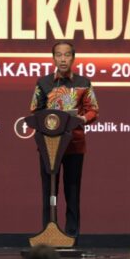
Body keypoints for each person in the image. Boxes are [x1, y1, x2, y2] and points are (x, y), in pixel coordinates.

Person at [30, 41, 99, 240]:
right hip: (49, 146)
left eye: (67, 55)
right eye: (58, 55)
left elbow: (93, 109)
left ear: (73, 58)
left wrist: (82, 119)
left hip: (74, 145)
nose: (63, 59)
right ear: (53, 58)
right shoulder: (43, 83)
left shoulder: (83, 82)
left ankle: (71, 235)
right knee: (48, 191)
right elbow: (35, 110)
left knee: (72, 191)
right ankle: (48, 232)